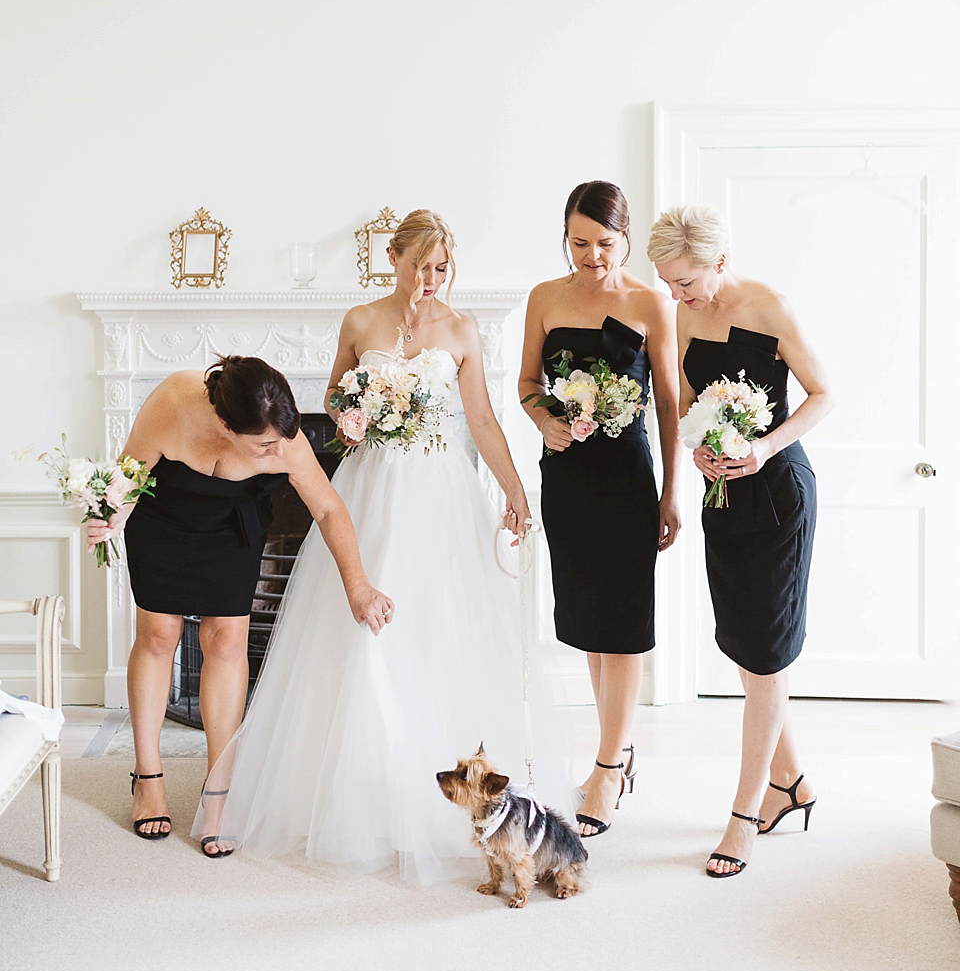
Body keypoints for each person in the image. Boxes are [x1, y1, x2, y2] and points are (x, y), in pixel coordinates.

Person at [193, 209, 567, 883]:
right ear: (391, 258)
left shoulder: (461, 329)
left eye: (442, 268)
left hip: (440, 495)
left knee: (437, 632)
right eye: (420, 266)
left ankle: (448, 802)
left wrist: (513, 487)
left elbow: (479, 417)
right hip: (371, 489)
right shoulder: (360, 321)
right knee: (361, 636)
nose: (430, 280)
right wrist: (348, 414)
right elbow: (334, 396)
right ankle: (358, 802)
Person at [86, 356, 389, 850]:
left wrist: (358, 586)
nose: (277, 450)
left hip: (232, 530)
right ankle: (148, 780)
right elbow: (128, 476)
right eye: (263, 444)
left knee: (227, 643)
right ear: (226, 426)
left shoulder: (283, 438)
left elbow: (329, 508)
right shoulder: (173, 403)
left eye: (279, 440)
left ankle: (219, 793)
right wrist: (107, 517)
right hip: (164, 521)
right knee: (159, 637)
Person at [648, 204, 832, 878]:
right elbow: (695, 403)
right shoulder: (684, 312)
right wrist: (699, 452)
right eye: (669, 283)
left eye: (685, 283)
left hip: (779, 492)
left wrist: (764, 446)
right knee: (747, 650)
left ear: (719, 262)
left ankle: (745, 815)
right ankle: (791, 785)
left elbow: (822, 395)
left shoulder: (769, 307)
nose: (675, 295)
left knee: (767, 653)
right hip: (723, 495)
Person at [518, 181, 681, 839]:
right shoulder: (546, 298)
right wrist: (546, 421)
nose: (591, 255)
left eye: (604, 244)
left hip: (626, 477)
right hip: (568, 477)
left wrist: (672, 491)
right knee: (588, 620)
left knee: (625, 619)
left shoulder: (651, 302)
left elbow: (669, 403)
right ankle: (612, 752)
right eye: (579, 242)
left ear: (627, 238)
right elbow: (529, 383)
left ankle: (610, 767)